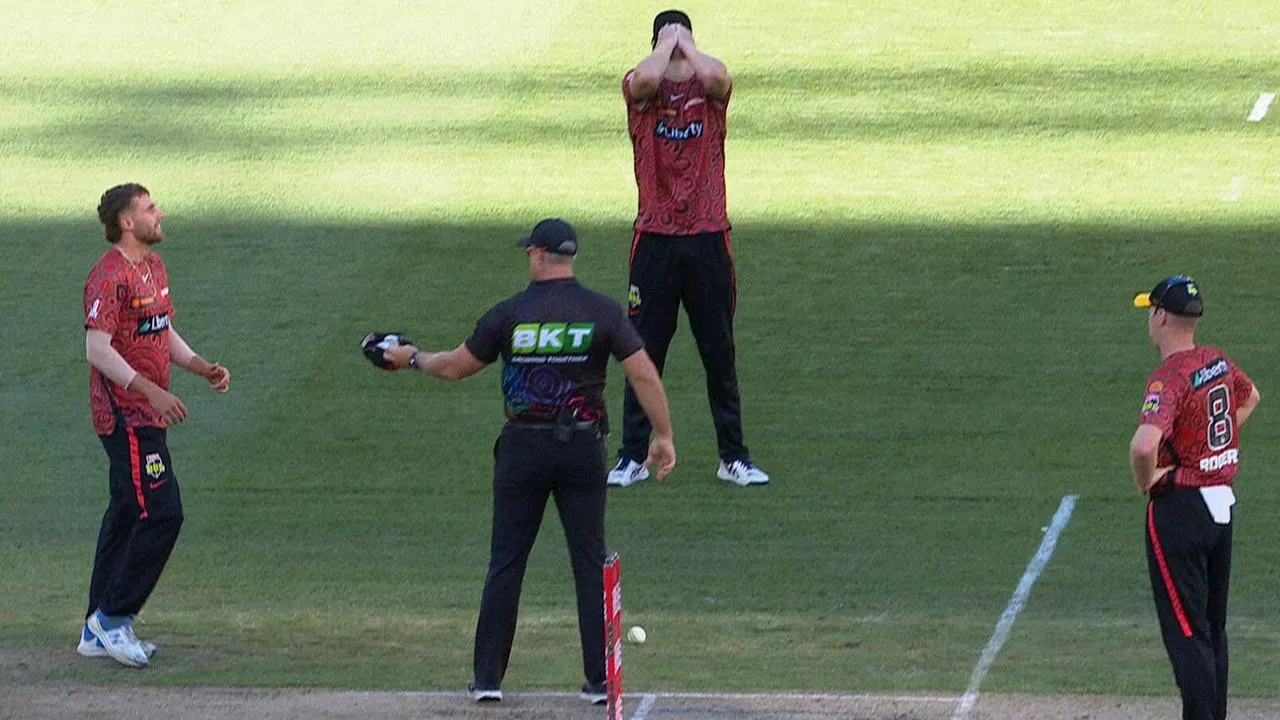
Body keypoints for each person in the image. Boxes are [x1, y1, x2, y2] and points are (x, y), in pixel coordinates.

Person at [379, 218, 676, 705]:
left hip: (522, 450)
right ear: (569, 257)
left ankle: (488, 680)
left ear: (539, 254)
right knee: (588, 560)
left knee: (507, 562)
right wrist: (662, 435)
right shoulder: (601, 312)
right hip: (582, 450)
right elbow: (643, 374)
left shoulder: (510, 313)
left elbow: (456, 366)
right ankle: (601, 681)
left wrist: (411, 357)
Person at [611, 9, 768, 488]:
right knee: (643, 351)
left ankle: (732, 456)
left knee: (719, 351)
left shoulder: (710, 90)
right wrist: (665, 44)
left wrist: (688, 45)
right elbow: (644, 81)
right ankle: (632, 456)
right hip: (655, 238)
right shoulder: (640, 88)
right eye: (669, 41)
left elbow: (720, 76)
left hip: (707, 237)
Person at [80, 183, 231, 668]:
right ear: (127, 222)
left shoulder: (153, 268)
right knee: (163, 513)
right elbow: (97, 349)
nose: (159, 213)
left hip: (145, 413)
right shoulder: (109, 277)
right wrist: (153, 391)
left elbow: (159, 330)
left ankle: (94, 627)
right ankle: (113, 618)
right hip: (125, 416)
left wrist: (200, 367)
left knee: (127, 509)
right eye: (149, 209)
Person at [1129, 275, 1261, 720]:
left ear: (1162, 316)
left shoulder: (1168, 379)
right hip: (1221, 504)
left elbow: (1145, 445)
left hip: (1181, 512)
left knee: (1187, 635)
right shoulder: (1216, 361)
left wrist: (1149, 480)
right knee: (1211, 629)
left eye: (1151, 310)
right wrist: (1210, 454)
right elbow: (1251, 397)